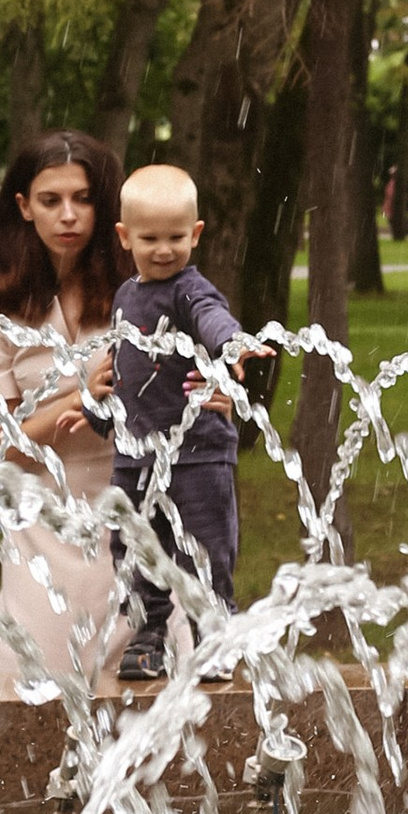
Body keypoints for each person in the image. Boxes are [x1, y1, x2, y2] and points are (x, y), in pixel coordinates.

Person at [0, 129, 128, 698]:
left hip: (129, 516)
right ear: (23, 207)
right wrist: (79, 396)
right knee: (29, 701)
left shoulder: (137, 289)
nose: (69, 215)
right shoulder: (2, 300)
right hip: (40, 528)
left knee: (140, 709)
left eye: (84, 199)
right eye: (51, 200)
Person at [109, 159, 255, 687]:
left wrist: (229, 344)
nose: (164, 249)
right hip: (135, 452)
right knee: (132, 545)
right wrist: (97, 410)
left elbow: (213, 318)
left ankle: (215, 635)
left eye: (176, 237)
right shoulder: (126, 297)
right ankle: (148, 636)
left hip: (198, 453)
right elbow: (124, 367)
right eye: (150, 238)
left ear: (195, 234)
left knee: (205, 548)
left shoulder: (190, 290)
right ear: (125, 237)